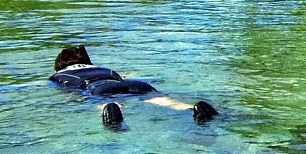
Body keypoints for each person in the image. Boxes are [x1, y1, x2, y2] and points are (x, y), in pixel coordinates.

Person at [50, 45, 219, 128]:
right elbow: (126, 76)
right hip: (132, 84)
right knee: (160, 100)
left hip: (98, 88)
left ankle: (111, 111)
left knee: (104, 101)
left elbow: (67, 91)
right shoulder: (105, 69)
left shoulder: (59, 75)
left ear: (60, 65)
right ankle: (192, 107)